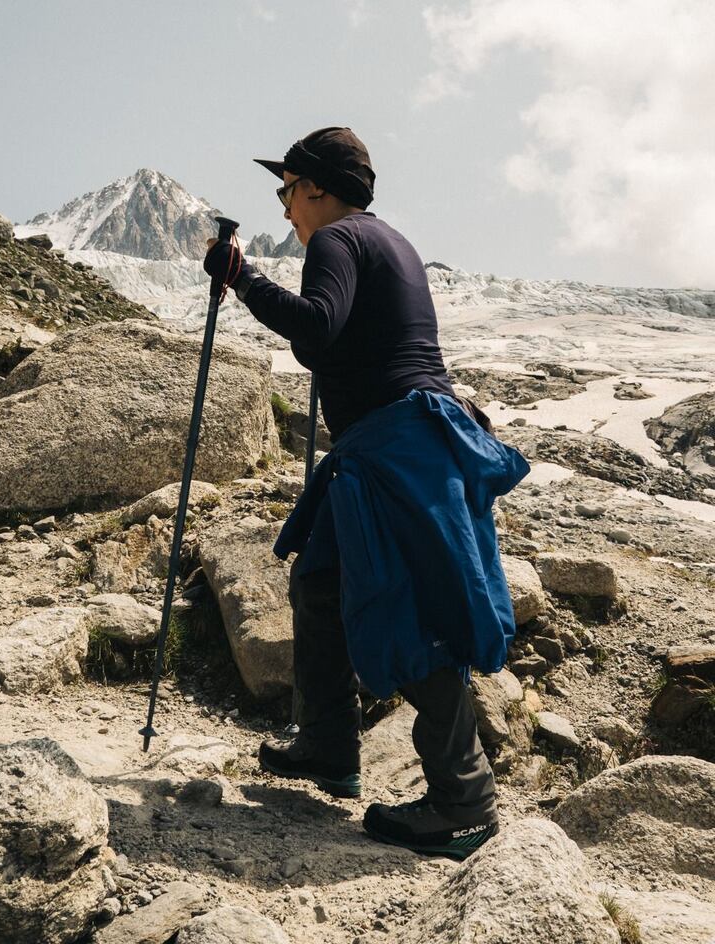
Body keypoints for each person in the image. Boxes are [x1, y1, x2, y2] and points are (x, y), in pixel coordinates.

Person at [204, 126, 529, 859]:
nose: (285, 207)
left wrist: (243, 280)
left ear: (317, 187)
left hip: (392, 449)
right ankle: (327, 744)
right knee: (320, 582)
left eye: (287, 190)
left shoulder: (337, 241)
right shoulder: (390, 241)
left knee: (407, 610)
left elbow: (318, 332)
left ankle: (464, 803)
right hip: (399, 444)